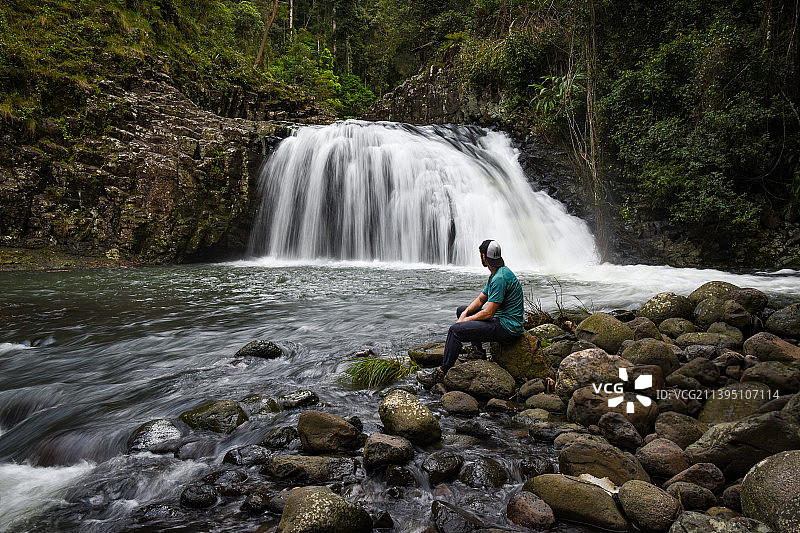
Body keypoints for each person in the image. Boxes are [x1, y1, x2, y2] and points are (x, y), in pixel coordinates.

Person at [417, 239, 525, 388]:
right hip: (502, 320)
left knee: (455, 331)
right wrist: (465, 314)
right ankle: (477, 351)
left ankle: (441, 373)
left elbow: (489, 313)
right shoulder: (497, 273)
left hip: (508, 327)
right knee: (461, 310)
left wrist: (465, 321)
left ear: (483, 256)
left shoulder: (499, 279)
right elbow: (480, 300)